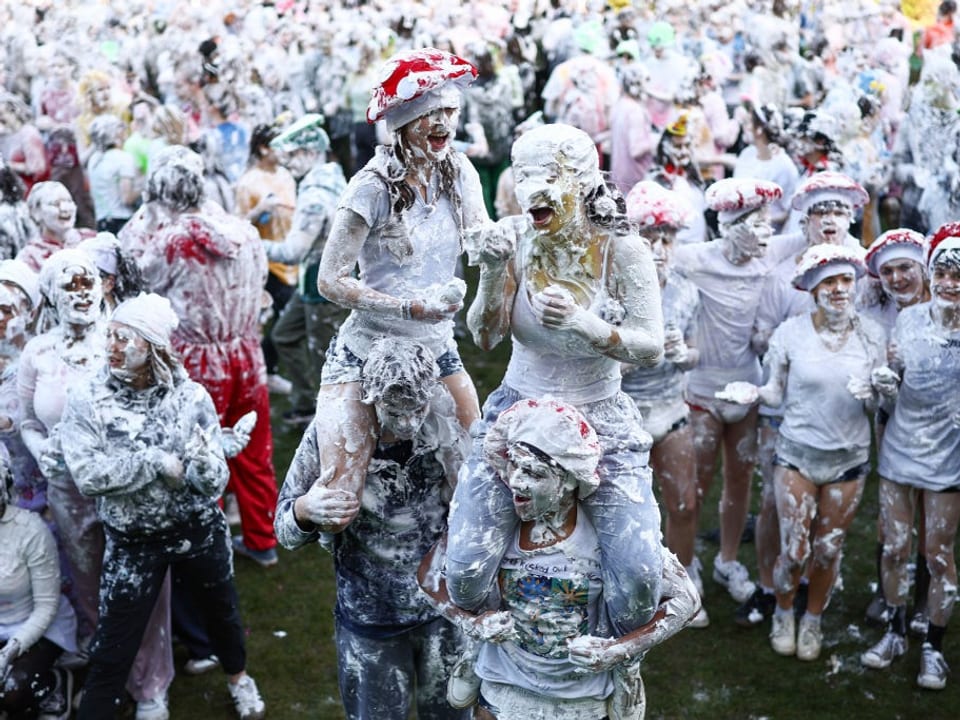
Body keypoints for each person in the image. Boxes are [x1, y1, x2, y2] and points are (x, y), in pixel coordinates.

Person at [448, 122, 665, 716]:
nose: (532, 190)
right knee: (464, 567)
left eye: (548, 177)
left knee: (640, 575)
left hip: (602, 418)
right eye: (523, 177)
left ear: (583, 180)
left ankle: (625, 664)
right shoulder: (515, 237)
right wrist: (492, 272)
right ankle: (477, 647)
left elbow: (651, 346)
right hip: (519, 411)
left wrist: (587, 326)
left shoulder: (621, 247)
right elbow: (486, 336)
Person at [420, 399, 699, 720]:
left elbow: (687, 601)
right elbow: (428, 574)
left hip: (581, 698)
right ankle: (473, 653)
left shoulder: (607, 539)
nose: (517, 482)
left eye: (534, 473)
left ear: (569, 480)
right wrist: (473, 623)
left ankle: (627, 669)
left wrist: (619, 651)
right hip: (502, 685)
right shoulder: (496, 530)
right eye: (515, 466)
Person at [59, 293, 265, 719]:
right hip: (133, 539)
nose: (110, 347)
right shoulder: (89, 398)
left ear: (153, 347)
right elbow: (88, 475)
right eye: (110, 336)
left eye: (123, 339)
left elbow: (213, 479)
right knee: (114, 644)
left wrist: (209, 465)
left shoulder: (190, 398)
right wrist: (154, 463)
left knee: (222, 612)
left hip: (197, 527)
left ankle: (239, 679)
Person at [314, 48, 485, 524]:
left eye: (449, 111)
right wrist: (406, 307)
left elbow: (480, 241)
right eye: (429, 114)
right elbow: (330, 280)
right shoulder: (370, 187)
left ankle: (455, 588)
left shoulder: (461, 172)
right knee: (339, 501)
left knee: (477, 477)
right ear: (404, 123)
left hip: (436, 347)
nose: (442, 124)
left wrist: (510, 243)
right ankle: (308, 514)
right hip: (368, 349)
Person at [276, 338, 470, 719]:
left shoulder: (447, 426)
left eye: (417, 408)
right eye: (396, 411)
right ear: (369, 396)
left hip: (445, 612)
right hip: (371, 616)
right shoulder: (332, 432)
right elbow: (283, 529)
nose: (409, 423)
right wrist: (305, 510)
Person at [19, 248, 173, 716]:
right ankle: (111, 671)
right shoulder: (38, 352)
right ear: (50, 294)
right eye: (70, 284)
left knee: (141, 583)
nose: (82, 292)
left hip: (131, 486)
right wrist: (40, 449)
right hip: (69, 491)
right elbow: (27, 420)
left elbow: (164, 405)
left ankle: (151, 684)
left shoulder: (125, 340)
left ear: (104, 287)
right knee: (89, 585)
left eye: (89, 281)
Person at [719, 244, 888, 661]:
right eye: (829, 281)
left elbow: (879, 404)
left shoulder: (872, 334)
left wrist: (881, 392)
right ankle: (783, 611)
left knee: (829, 549)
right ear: (813, 289)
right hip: (796, 453)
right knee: (794, 550)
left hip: (849, 458)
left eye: (846, 279)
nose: (839, 289)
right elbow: (775, 391)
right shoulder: (791, 332)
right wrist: (755, 393)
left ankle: (812, 621)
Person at [134, 146, 279, 567]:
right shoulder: (245, 232)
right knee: (253, 445)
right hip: (247, 352)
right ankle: (262, 538)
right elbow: (262, 281)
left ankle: (207, 548)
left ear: (165, 199)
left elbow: (142, 283)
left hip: (196, 360)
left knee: (199, 451)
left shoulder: (171, 241)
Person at [737, 171, 869, 628]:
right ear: (805, 219)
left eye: (838, 210)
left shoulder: (863, 272)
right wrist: (788, 349)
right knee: (775, 505)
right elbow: (759, 337)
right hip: (784, 410)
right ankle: (772, 589)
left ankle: (815, 587)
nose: (829, 220)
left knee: (828, 516)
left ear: (851, 216)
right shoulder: (782, 275)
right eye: (820, 211)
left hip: (841, 412)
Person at [676, 177, 784, 610]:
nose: (767, 232)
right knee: (695, 484)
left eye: (768, 223)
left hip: (746, 388)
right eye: (757, 224)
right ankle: (686, 569)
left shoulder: (767, 258)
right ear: (731, 226)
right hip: (700, 390)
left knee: (739, 478)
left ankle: (726, 560)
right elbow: (651, 259)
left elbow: (805, 243)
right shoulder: (696, 259)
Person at [860, 223, 960, 690]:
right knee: (896, 547)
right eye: (942, 272)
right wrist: (885, 385)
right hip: (901, 446)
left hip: (949, 455)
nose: (949, 283)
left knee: (937, 554)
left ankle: (933, 648)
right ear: (931, 272)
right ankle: (896, 631)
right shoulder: (909, 320)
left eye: (958, 275)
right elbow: (895, 384)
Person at [622, 181, 706, 627]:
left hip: (671, 409)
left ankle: (683, 582)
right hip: (624, 415)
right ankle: (623, 584)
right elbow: (599, 367)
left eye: (667, 239)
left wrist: (681, 355)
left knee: (684, 503)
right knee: (626, 511)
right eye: (649, 238)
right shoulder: (615, 288)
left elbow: (696, 352)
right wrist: (636, 359)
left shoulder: (686, 292)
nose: (658, 249)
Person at [260, 115, 348, 426]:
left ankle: (334, 418)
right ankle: (305, 401)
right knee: (284, 335)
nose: (288, 165)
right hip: (318, 278)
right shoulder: (332, 176)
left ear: (312, 154)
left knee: (324, 354)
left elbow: (292, 252)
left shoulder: (314, 195)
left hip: (320, 283)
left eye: (294, 156)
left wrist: (253, 243)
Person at [0, 446, 78, 719]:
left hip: (39, 626)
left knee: (11, 693)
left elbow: (46, 606)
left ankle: (54, 683)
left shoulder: (30, 530)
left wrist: (10, 651)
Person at [234, 122, 298, 396]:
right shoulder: (249, 182)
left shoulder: (286, 175)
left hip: (292, 255)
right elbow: (237, 224)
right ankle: (265, 372)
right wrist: (259, 209)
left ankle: (267, 368)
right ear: (263, 148)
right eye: (278, 144)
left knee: (285, 319)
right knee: (280, 319)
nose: (285, 150)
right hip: (267, 261)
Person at [18, 181, 92, 272]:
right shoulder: (29, 257)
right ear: (36, 212)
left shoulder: (91, 239)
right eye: (55, 204)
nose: (64, 208)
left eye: (69, 201)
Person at [86, 114, 141, 235]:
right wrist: (144, 185)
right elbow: (126, 198)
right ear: (114, 133)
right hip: (122, 221)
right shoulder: (123, 158)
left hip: (101, 221)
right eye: (120, 128)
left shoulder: (93, 160)